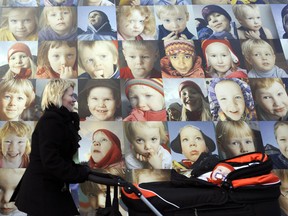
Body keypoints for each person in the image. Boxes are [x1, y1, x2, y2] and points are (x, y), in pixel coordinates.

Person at [13, 79, 91, 216]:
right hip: (42, 192)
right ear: (58, 96)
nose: (74, 100)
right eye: (71, 95)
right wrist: (79, 173)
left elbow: (59, 157)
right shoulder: (51, 121)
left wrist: (79, 169)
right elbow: (51, 161)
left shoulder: (60, 119)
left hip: (50, 188)